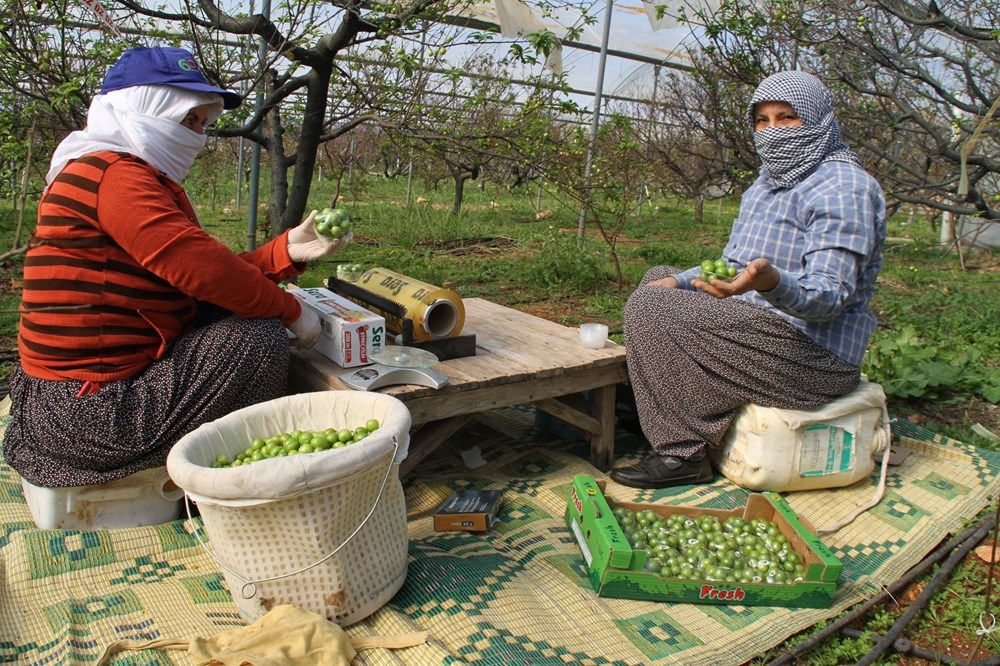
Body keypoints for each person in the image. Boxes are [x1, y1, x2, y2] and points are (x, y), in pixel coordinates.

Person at [3, 46, 349, 488]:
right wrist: (289, 311)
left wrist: (287, 252)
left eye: (204, 123)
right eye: (188, 119)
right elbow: (200, 269)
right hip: (87, 412)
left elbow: (199, 277)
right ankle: (218, 480)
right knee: (257, 338)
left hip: (70, 398)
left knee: (235, 311)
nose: (198, 136)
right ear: (143, 108)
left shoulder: (111, 171)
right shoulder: (114, 175)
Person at [609, 70, 887, 489]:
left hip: (812, 358)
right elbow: (731, 263)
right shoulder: (765, 185)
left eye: (787, 118)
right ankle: (665, 405)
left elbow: (830, 297)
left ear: (818, 121)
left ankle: (682, 453)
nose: (773, 131)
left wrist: (772, 282)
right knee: (658, 281)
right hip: (764, 335)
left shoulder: (843, 187)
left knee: (651, 307)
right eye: (762, 120)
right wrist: (681, 282)